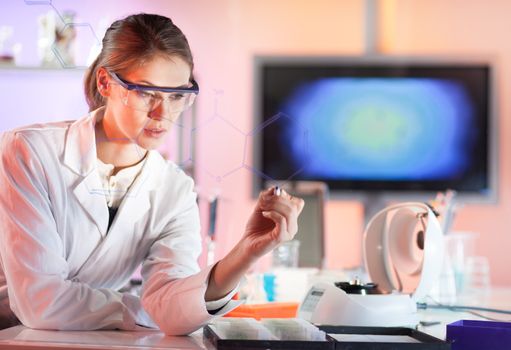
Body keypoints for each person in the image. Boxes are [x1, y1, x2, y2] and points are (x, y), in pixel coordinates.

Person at [0, 13, 304, 335]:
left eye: (176, 96)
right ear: (105, 83)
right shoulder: (30, 152)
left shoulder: (174, 189)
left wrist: (247, 250)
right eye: (147, 93)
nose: (163, 114)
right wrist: (143, 308)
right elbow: (40, 301)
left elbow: (173, 312)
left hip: (92, 338)